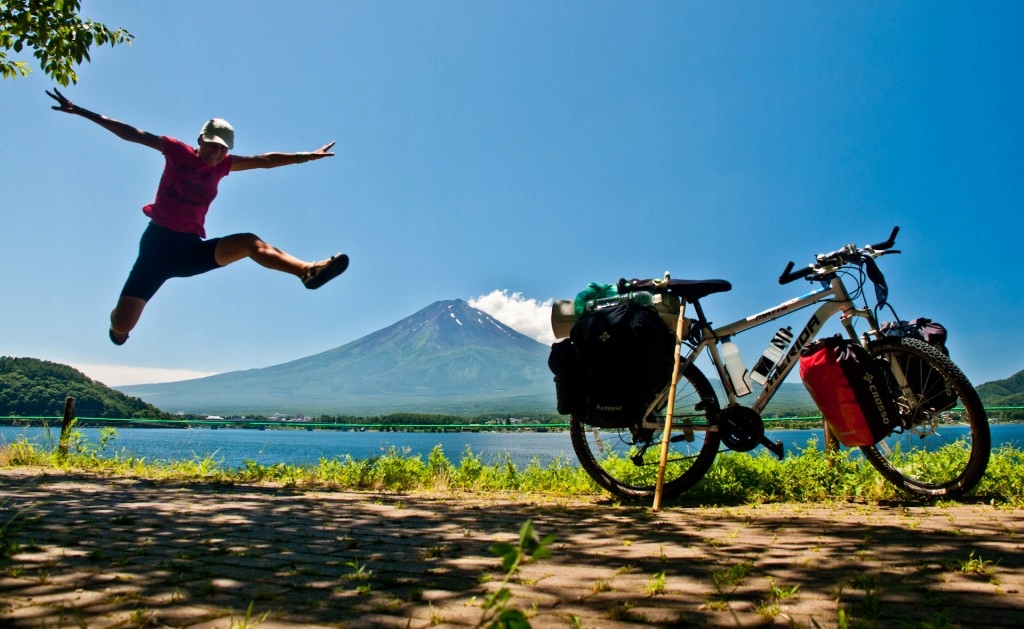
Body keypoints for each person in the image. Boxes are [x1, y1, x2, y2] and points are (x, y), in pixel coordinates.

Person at [46, 88, 349, 345]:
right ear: (201, 139)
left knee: (249, 242)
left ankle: (307, 271)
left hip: (190, 250)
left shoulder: (223, 166)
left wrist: (306, 156)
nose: (216, 153)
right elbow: (131, 133)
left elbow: (265, 160)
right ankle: (116, 322)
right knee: (123, 327)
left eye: (222, 149)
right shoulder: (176, 151)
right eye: (212, 145)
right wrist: (81, 111)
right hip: (156, 248)